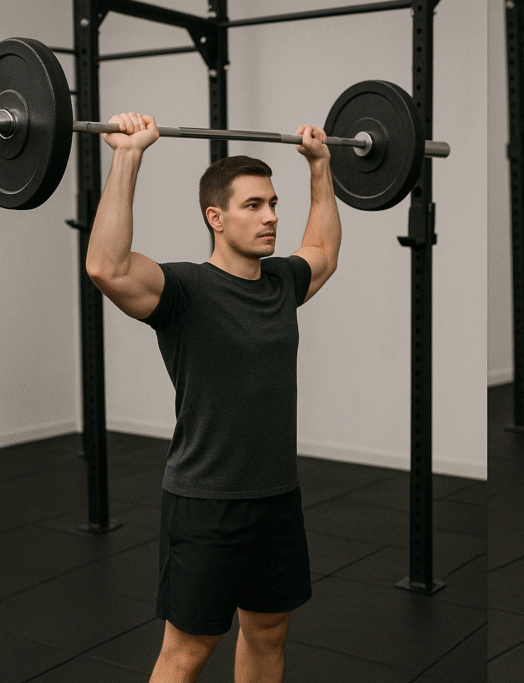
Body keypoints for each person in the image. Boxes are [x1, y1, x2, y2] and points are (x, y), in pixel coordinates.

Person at [85, 111, 342, 683]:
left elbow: (322, 247)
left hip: (278, 498)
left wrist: (320, 169)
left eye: (274, 203)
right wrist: (128, 157)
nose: (272, 216)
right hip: (206, 504)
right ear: (215, 217)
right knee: (186, 651)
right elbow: (106, 267)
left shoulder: (280, 283)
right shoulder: (183, 291)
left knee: (269, 633)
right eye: (254, 205)